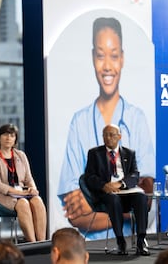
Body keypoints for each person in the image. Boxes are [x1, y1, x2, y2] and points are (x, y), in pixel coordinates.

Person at [57, 17, 155, 238]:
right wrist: (122, 207)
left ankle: (138, 243)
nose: (108, 65)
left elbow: (147, 199)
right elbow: (75, 213)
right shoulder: (80, 124)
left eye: (114, 55)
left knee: (137, 200)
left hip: (122, 200)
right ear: (93, 58)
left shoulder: (136, 120)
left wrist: (106, 207)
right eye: (101, 55)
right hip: (93, 239)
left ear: (122, 58)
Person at [83, 124, 149, 256]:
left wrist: (121, 184)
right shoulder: (94, 153)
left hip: (125, 191)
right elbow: (89, 176)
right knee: (114, 199)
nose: (108, 138)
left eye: (111, 135)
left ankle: (141, 241)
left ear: (119, 136)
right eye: (105, 135)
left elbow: (135, 174)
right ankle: (120, 241)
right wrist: (104, 185)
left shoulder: (129, 153)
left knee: (141, 198)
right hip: (106, 194)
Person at [0, 123, 47, 242]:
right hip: (3, 195)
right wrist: (19, 193)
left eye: (12, 135)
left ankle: (41, 243)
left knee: (37, 200)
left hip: (21, 192)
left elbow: (28, 178)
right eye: (5, 135)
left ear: (15, 139)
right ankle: (32, 244)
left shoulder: (21, 155)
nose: (8, 138)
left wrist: (32, 189)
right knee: (23, 203)